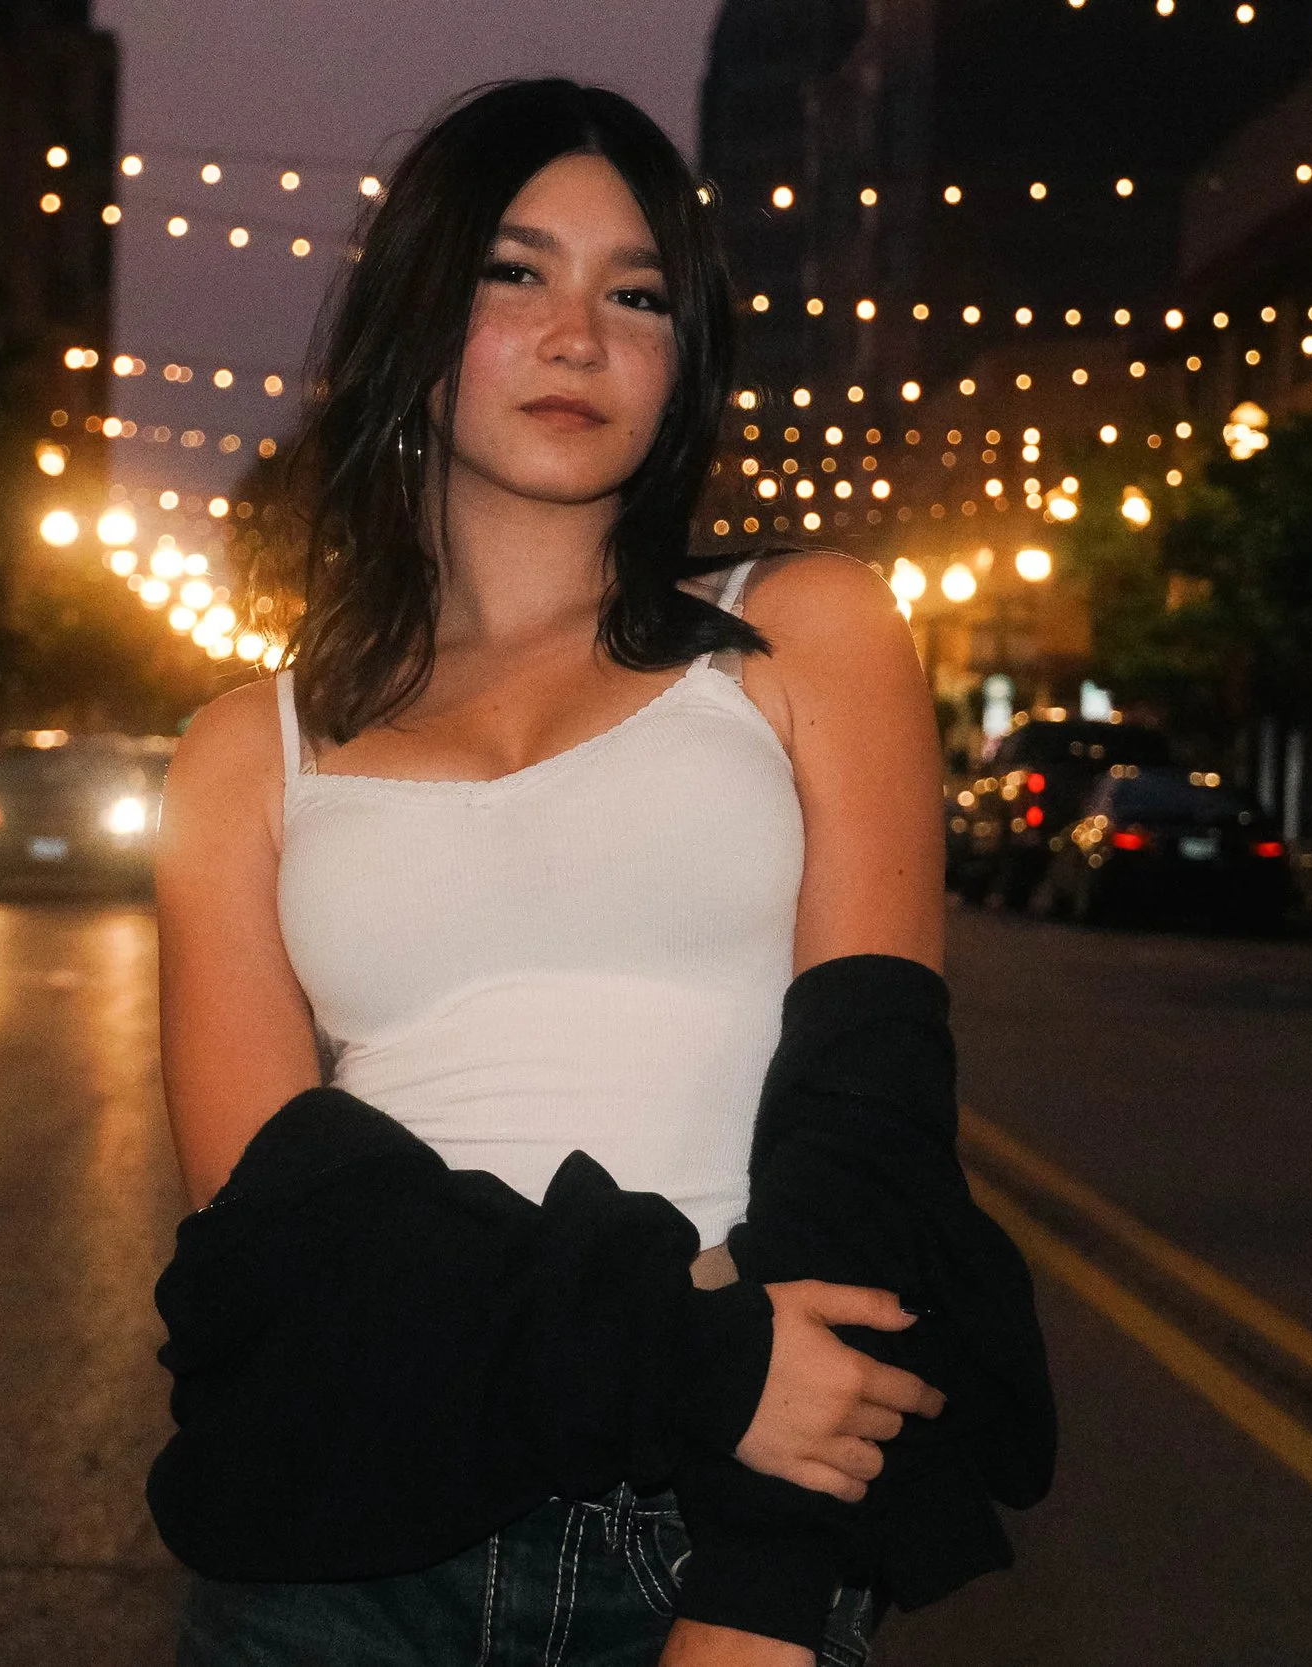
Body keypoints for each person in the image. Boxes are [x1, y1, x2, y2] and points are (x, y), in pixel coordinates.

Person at [153, 79, 969, 1667]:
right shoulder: (248, 752)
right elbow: (280, 1225)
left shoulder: (808, 635)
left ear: (684, 357)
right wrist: (697, 1354)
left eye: (637, 292)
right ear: (414, 319)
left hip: (715, 1525)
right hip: (345, 1548)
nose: (579, 332)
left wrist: (763, 1590)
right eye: (514, 274)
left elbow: (869, 1132)